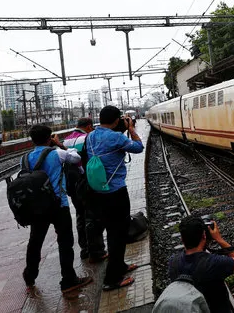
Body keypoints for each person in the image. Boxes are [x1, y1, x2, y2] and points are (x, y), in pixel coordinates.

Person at [22, 125, 92, 294]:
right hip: (58, 205)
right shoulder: (57, 153)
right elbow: (75, 158)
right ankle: (68, 279)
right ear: (49, 138)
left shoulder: (24, 158)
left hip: (36, 208)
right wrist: (60, 144)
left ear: (32, 139)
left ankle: (30, 275)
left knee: (35, 241)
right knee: (65, 242)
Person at [87, 105, 144, 291]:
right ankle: (112, 279)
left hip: (98, 191)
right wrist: (131, 129)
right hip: (116, 192)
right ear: (117, 120)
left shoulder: (91, 136)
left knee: (113, 230)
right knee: (117, 233)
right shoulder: (116, 137)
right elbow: (138, 147)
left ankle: (120, 266)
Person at [168, 216, 234, 313]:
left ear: (182, 239)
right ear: (204, 236)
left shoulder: (172, 262)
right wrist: (219, 239)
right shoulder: (213, 263)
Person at [62, 117, 107, 262]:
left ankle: (85, 249)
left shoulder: (66, 140)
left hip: (72, 185)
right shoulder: (88, 138)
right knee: (93, 216)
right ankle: (97, 250)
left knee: (80, 215)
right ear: (88, 127)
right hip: (86, 182)